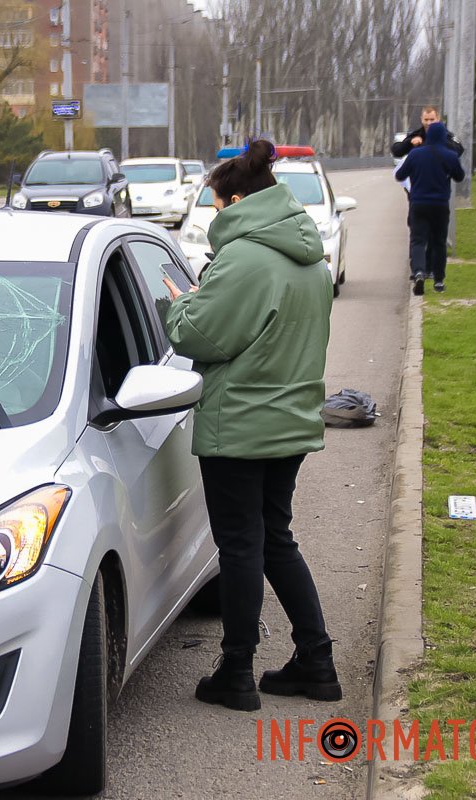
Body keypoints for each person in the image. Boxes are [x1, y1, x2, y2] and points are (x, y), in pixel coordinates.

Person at [160, 139, 339, 712]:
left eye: (216, 204)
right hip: (290, 421)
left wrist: (181, 304)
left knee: (240, 547)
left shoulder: (243, 258)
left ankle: (236, 671)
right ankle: (317, 661)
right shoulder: (309, 256)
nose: (214, 214)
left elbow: (198, 336)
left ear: (236, 199)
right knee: (276, 538)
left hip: (238, 425)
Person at [394, 121, 465, 294]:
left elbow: (399, 175)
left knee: (418, 240)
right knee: (439, 242)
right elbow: (460, 177)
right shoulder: (449, 156)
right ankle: (438, 280)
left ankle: (418, 271)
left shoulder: (416, 155)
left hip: (418, 203)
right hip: (440, 205)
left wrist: (415, 174)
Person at [391, 105, 464, 158]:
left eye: (432, 120)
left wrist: (442, 141)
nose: (429, 123)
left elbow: (459, 151)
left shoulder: (447, 135)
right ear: (421, 119)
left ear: (438, 119)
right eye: (426, 120)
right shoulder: (416, 136)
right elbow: (396, 152)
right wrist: (409, 142)